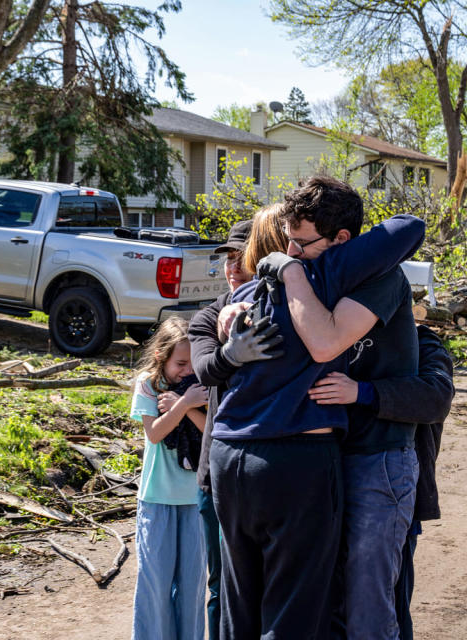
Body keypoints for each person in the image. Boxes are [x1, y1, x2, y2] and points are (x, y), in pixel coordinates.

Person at [210, 203, 425, 639]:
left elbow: (409, 229)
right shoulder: (265, 291)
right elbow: (202, 354)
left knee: (254, 606)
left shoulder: (321, 277)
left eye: (300, 242)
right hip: (294, 459)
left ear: (342, 243)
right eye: (285, 241)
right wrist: (227, 331)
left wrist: (364, 392)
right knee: (293, 609)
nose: (291, 249)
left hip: (262, 453)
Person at [309, 324, 455, 639]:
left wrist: (363, 392)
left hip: (391, 494)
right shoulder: (333, 335)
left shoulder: (420, 340)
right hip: (332, 489)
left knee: (385, 607)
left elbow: (437, 396)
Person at [188, 214, 282, 640]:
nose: (231, 268)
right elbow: (205, 369)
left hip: (277, 468)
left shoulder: (285, 307)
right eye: (226, 259)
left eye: (240, 259)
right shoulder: (207, 317)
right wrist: (234, 352)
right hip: (218, 472)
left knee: (269, 588)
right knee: (221, 586)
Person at [129, 316, 209, 640]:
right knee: (155, 587)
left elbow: (212, 434)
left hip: (194, 501)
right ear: (162, 357)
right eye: (180, 363)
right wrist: (186, 404)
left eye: (192, 363)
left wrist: (187, 405)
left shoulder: (201, 387)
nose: (186, 371)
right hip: (157, 500)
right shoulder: (148, 384)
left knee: (192, 589)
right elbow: (155, 433)